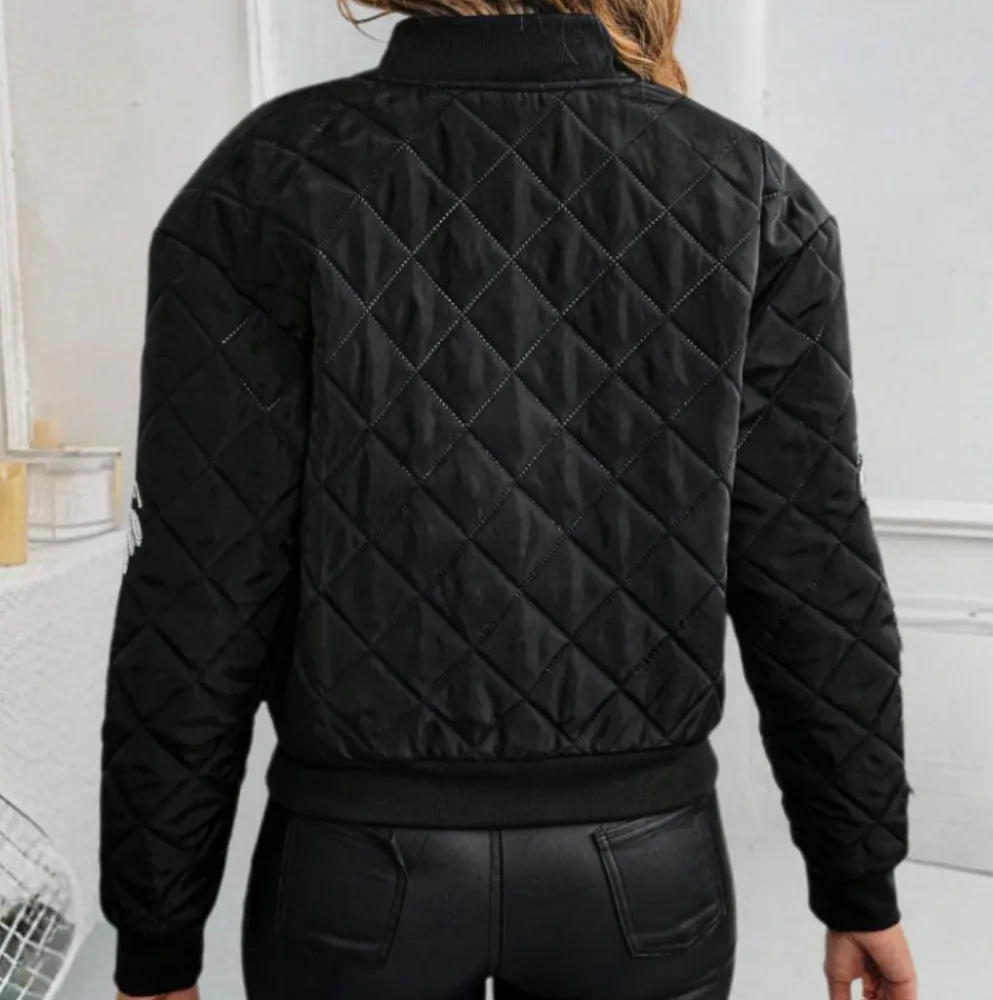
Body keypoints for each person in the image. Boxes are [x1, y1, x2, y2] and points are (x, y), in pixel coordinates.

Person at [99, 2, 918, 998]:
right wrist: (859, 879)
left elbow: (199, 588)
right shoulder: (742, 187)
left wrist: (156, 929)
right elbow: (812, 570)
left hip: (358, 873)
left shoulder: (267, 177)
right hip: (639, 872)